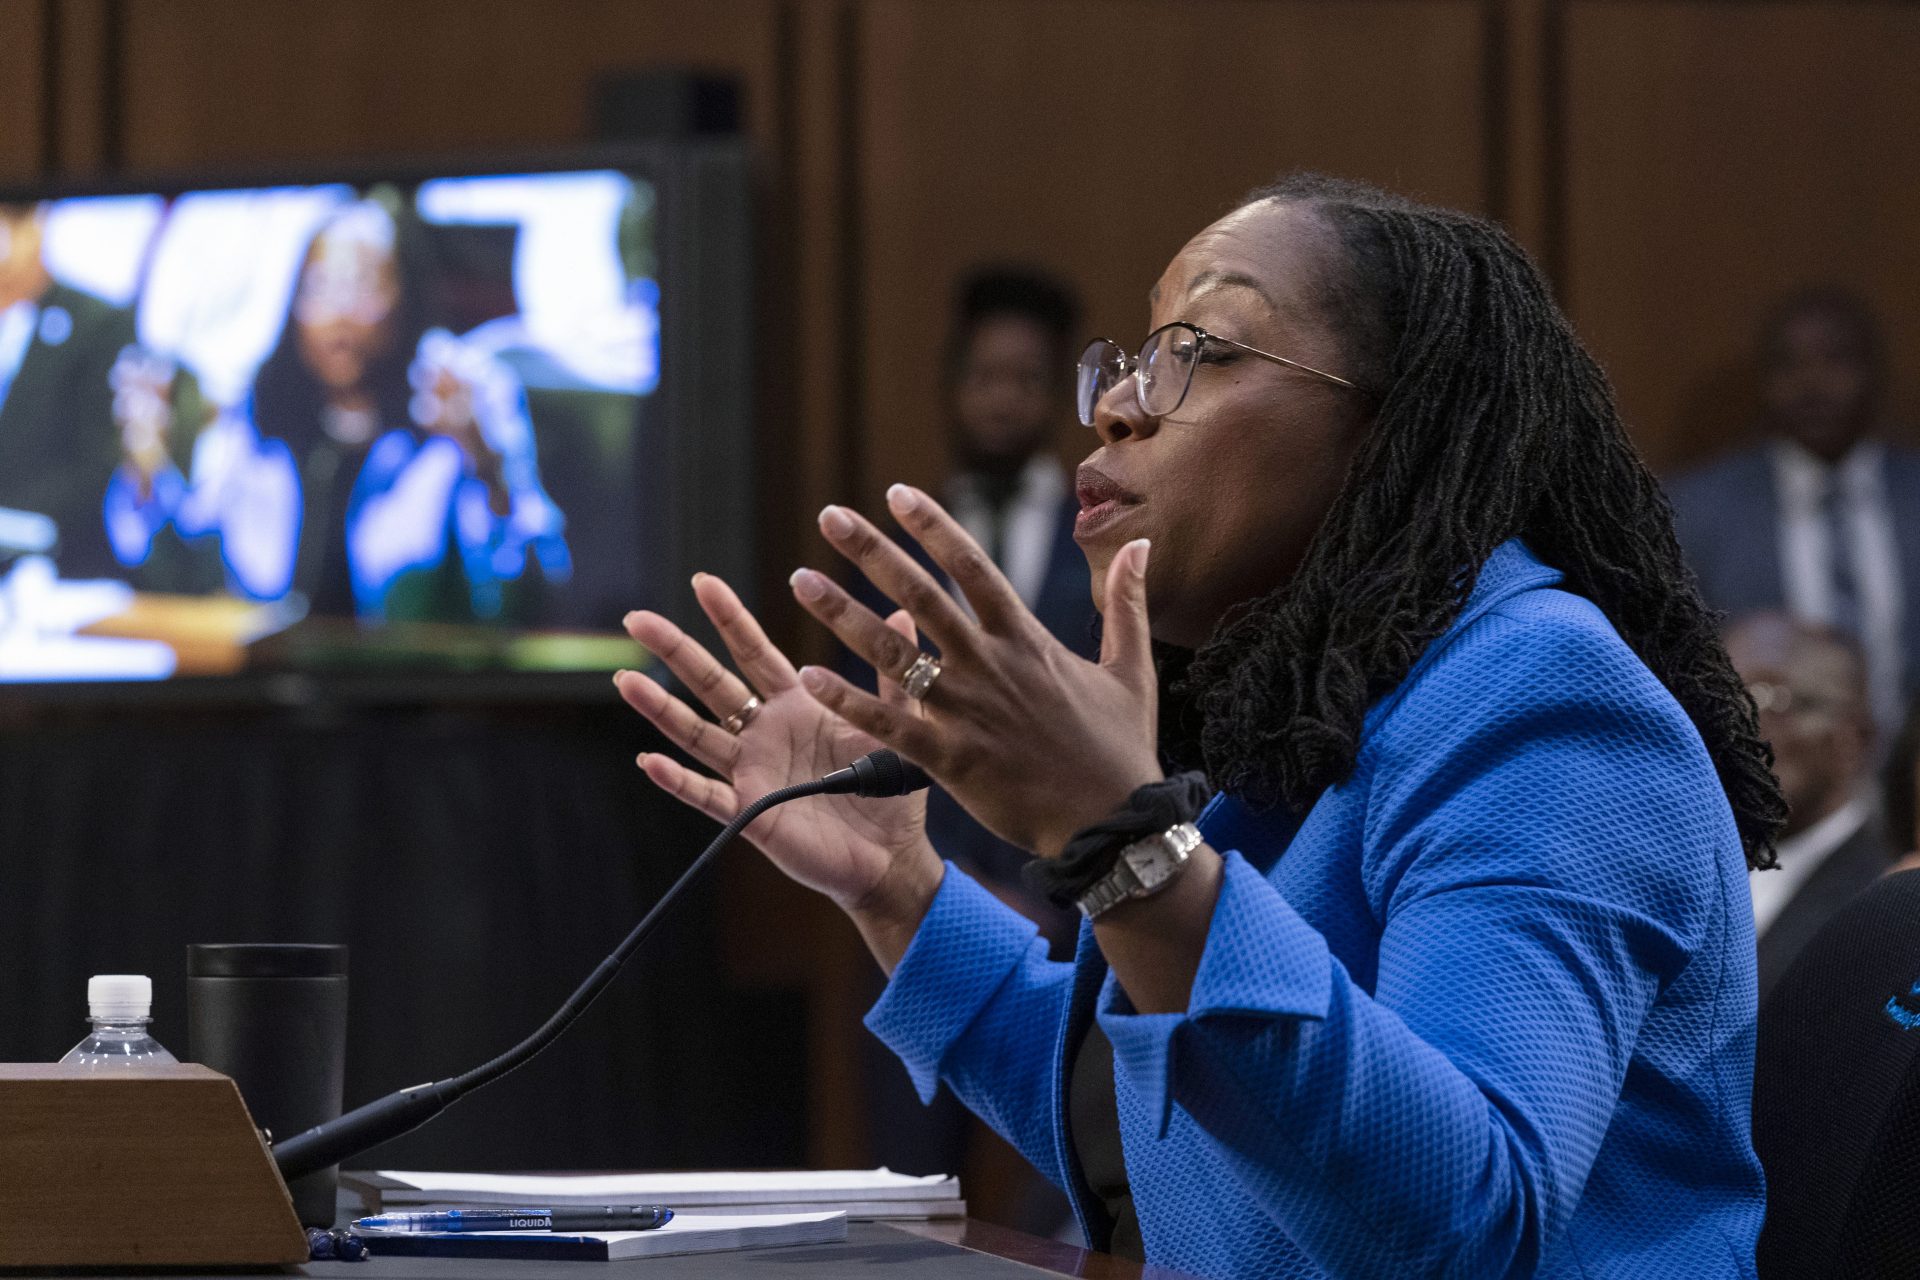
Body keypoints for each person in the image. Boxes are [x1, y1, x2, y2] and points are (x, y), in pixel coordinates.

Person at [615, 174, 1784, 1276]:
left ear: (1392, 426)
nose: (1121, 405)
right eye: (1130, 360)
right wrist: (898, 889)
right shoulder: (1291, 693)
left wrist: (1126, 846)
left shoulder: (1543, 701)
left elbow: (1468, 1220)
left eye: (1198, 352)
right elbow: (1171, 1123)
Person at [847, 268, 1093, 1225]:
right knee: (912, 1189)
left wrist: (1047, 890)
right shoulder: (894, 548)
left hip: (1076, 905)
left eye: (1025, 378)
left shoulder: (1101, 538)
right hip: (926, 894)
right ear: (953, 386)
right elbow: (870, 724)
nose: (1003, 398)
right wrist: (940, 880)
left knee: (1072, 1177)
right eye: (984, 377)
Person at [1667, 287, 1920, 730]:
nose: (1812, 383)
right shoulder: (1698, 511)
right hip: (1768, 778)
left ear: (1872, 371)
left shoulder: (1911, 492)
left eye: (1834, 359)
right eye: (1788, 364)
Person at [1724, 612, 1890, 999]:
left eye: (1770, 697)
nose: (1735, 723)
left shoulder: (1885, 895)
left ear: (1855, 738)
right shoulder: (1671, 871)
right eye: (1721, 696)